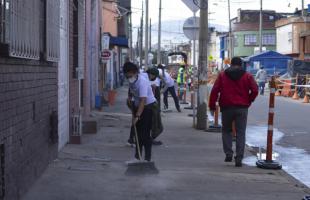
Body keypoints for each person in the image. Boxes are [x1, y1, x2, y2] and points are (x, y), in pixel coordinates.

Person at [209, 57, 258, 167]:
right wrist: (249, 100)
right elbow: (255, 90)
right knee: (241, 132)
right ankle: (239, 158)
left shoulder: (222, 75)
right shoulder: (247, 76)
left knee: (226, 130)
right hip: (242, 108)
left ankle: (228, 153)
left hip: (227, 107)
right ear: (241, 65)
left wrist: (212, 106)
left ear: (230, 64)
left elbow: (215, 90)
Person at [124, 62, 156, 161]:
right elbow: (132, 91)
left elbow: (143, 100)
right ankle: (137, 157)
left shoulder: (142, 82)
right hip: (138, 105)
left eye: (130, 74)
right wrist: (129, 99)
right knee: (137, 133)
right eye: (127, 74)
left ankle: (147, 159)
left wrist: (137, 116)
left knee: (145, 134)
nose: (128, 76)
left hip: (148, 107)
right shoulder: (131, 80)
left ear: (135, 73)